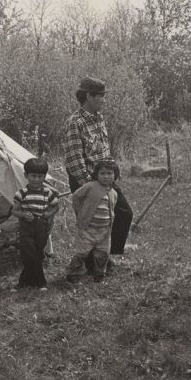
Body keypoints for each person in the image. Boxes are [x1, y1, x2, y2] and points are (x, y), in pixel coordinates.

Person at [63, 77, 133, 271]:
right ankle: (93, 263)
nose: (104, 100)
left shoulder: (99, 118)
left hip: (105, 178)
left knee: (123, 213)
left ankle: (106, 255)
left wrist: (112, 173)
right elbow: (74, 159)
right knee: (90, 223)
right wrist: (91, 187)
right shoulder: (75, 123)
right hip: (86, 181)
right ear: (88, 96)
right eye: (101, 96)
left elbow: (104, 151)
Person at [66, 159, 119, 283]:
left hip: (104, 230)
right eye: (102, 173)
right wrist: (80, 213)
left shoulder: (114, 193)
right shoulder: (91, 186)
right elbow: (76, 196)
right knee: (81, 253)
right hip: (87, 228)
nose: (106, 176)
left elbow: (111, 209)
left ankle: (99, 273)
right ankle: (73, 273)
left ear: (115, 175)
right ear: (96, 174)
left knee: (103, 253)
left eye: (109, 173)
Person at [12, 158, 60, 289]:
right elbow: (14, 211)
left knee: (38, 253)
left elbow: (56, 206)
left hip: (41, 227)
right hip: (26, 227)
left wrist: (49, 214)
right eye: (33, 176)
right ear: (26, 176)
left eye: (40, 176)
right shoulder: (21, 193)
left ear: (44, 177)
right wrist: (23, 214)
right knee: (28, 253)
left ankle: (24, 282)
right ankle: (40, 282)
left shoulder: (47, 192)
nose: (36, 180)